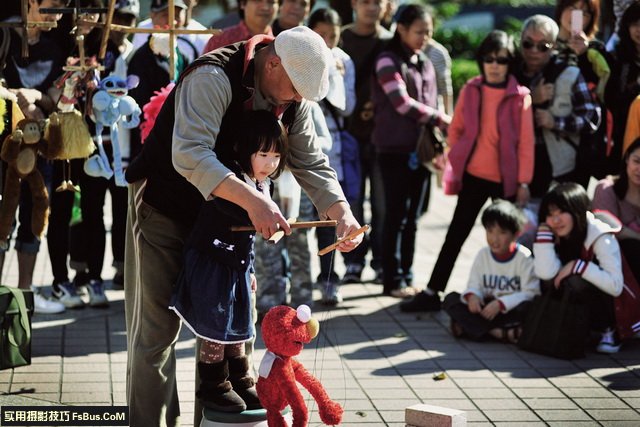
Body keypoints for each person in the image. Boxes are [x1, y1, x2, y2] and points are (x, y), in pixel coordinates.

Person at [123, 26, 362, 427]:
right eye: (296, 88)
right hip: (166, 210)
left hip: (227, 227)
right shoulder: (212, 77)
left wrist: (341, 212)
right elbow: (190, 154)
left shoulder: (292, 97)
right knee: (156, 336)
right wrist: (255, 201)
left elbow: (310, 161)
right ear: (272, 63)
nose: (299, 99)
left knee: (229, 329)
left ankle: (216, 418)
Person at [401, 30, 534, 312]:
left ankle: (516, 296)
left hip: (506, 182)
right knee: (456, 235)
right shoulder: (473, 89)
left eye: (501, 59)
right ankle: (433, 290)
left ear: (510, 62)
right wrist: (456, 154)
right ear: (481, 61)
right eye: (489, 59)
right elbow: (457, 127)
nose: (495, 65)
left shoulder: (520, 96)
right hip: (474, 176)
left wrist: (523, 181)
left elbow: (526, 144)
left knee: (510, 240)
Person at [170, 110, 286, 412]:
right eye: (263, 154)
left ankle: (241, 380)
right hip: (211, 262)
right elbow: (236, 213)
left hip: (237, 266)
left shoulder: (265, 185)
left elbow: (249, 236)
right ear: (243, 149)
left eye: (276, 156)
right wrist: (260, 213)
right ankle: (213, 386)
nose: (270, 163)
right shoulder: (230, 178)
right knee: (216, 327)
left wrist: (250, 269)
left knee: (239, 325)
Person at [372, 4, 450, 298]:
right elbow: (401, 103)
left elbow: (432, 101)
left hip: (421, 153)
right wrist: (440, 119)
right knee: (396, 216)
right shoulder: (387, 60)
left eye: (428, 32)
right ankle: (392, 280)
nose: (424, 38)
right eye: (419, 32)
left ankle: (407, 274)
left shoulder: (425, 62)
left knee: (414, 218)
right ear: (401, 28)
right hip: (393, 150)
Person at [0, 0, 67, 314]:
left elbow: (56, 95)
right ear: (30, 3)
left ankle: (24, 296)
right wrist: (15, 97)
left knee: (33, 217)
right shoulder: (4, 37)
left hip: (40, 146)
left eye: (59, 10)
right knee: (2, 219)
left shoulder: (55, 47)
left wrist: (37, 97)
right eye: (50, 7)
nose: (55, 16)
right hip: (4, 144)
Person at [514, 15, 600, 200]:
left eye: (543, 46)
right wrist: (530, 100)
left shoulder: (569, 73)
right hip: (517, 167)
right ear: (520, 42)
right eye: (528, 44)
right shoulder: (510, 73)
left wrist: (556, 122)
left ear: (553, 46)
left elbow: (591, 118)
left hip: (561, 168)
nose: (534, 51)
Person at [534, 182, 624, 353]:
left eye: (562, 212)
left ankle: (608, 330)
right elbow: (546, 274)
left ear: (577, 211)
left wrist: (578, 266)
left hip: (612, 305)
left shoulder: (600, 234)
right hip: (574, 305)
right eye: (550, 214)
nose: (555, 220)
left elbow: (615, 286)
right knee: (549, 280)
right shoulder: (550, 231)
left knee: (576, 279)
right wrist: (544, 238)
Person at [340, 0, 392, 284]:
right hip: (348, 137)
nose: (371, 7)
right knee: (352, 202)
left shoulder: (390, 40)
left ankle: (382, 262)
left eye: (377, 2)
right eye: (365, 1)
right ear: (354, 4)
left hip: (382, 137)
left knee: (383, 206)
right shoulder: (342, 37)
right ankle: (353, 261)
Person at [308, 6, 357, 304]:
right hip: (303, 140)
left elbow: (347, 106)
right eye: (320, 35)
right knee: (299, 215)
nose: (327, 42)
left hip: (333, 144)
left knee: (329, 212)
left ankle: (328, 277)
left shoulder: (344, 60)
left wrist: (335, 78)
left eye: (333, 36)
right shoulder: (303, 53)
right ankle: (293, 279)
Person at [443, 200, 539, 342]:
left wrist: (501, 303)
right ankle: (498, 333)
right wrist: (473, 297)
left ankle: (472, 329)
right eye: (490, 231)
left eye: (502, 233)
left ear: (516, 234)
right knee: (451, 299)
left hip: (508, 310)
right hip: (486, 310)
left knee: (529, 309)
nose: (494, 238)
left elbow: (531, 293)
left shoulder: (524, 258)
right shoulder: (483, 254)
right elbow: (474, 284)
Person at [555, 0, 614, 185]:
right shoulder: (543, 44)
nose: (576, 15)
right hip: (548, 134)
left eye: (585, 13)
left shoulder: (597, 51)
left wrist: (583, 55)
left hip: (583, 140)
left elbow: (607, 92)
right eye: (572, 8)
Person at [593, 138, 640, 282]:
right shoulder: (606, 189)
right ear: (627, 159)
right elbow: (608, 227)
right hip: (613, 267)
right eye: (636, 161)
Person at [607, 1, 640, 173]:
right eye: (635, 24)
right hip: (623, 133)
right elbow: (612, 98)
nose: (639, 30)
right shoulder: (617, 58)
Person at [131, 0, 207, 64]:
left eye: (177, 15)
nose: (173, 21)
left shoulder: (203, 35)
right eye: (166, 15)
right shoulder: (143, 30)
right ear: (152, 15)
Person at [203, 0, 278, 53]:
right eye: (257, 0)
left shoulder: (281, 45)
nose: (265, 7)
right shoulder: (220, 40)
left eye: (271, 2)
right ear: (242, 3)